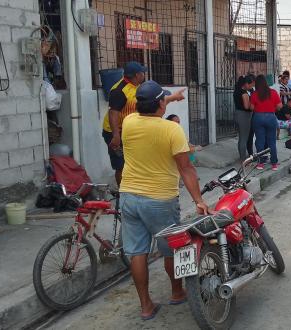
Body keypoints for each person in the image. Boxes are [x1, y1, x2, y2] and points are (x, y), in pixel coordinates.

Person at [119, 80, 209, 321]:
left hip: (128, 196)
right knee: (171, 250)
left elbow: (149, 107)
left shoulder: (128, 122)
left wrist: (170, 98)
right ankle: (177, 292)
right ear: (160, 104)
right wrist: (199, 200)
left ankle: (146, 306)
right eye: (163, 100)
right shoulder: (171, 130)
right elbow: (186, 168)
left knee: (138, 252)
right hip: (159, 199)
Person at [101, 61, 146, 186]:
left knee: (133, 161)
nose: (144, 74)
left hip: (128, 130)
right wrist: (116, 136)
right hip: (114, 132)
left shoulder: (137, 86)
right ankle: (123, 193)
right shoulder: (119, 91)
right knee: (121, 164)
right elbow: (113, 113)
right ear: (137, 75)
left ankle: (133, 188)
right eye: (142, 72)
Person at [249, 75, 282, 170]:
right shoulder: (273, 92)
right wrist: (271, 109)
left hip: (258, 118)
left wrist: (259, 109)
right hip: (271, 117)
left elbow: (251, 108)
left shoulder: (255, 94)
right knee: (272, 141)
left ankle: (261, 163)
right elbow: (279, 106)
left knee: (260, 141)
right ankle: (274, 164)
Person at [234, 75, 255, 161]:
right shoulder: (244, 93)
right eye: (251, 85)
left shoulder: (237, 91)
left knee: (241, 137)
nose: (251, 87)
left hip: (238, 114)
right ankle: (243, 160)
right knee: (244, 138)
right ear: (246, 84)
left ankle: (242, 158)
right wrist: (253, 105)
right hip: (244, 116)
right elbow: (247, 106)